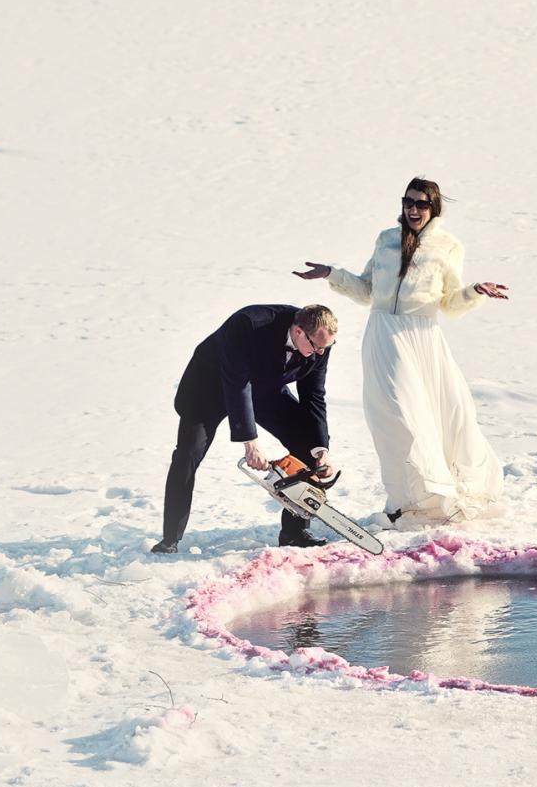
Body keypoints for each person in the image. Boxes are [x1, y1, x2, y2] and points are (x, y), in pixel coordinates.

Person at [295, 178, 508, 526]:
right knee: (396, 417)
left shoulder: (448, 246)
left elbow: (450, 304)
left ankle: (436, 493)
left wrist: (475, 291)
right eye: (408, 201)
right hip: (383, 335)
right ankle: (407, 498)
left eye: (422, 203)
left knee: (441, 415)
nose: (413, 208)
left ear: (434, 208)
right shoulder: (386, 240)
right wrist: (332, 274)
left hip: (422, 335)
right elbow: (366, 291)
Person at [151, 304, 340, 554]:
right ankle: (169, 540)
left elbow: (314, 396)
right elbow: (237, 382)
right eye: (317, 347)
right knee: (188, 454)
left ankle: (294, 532)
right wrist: (250, 442)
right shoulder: (249, 323)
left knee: (308, 444)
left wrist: (320, 448)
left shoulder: (320, 342)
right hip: (209, 388)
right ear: (298, 332)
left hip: (264, 389)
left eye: (326, 347)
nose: (320, 352)